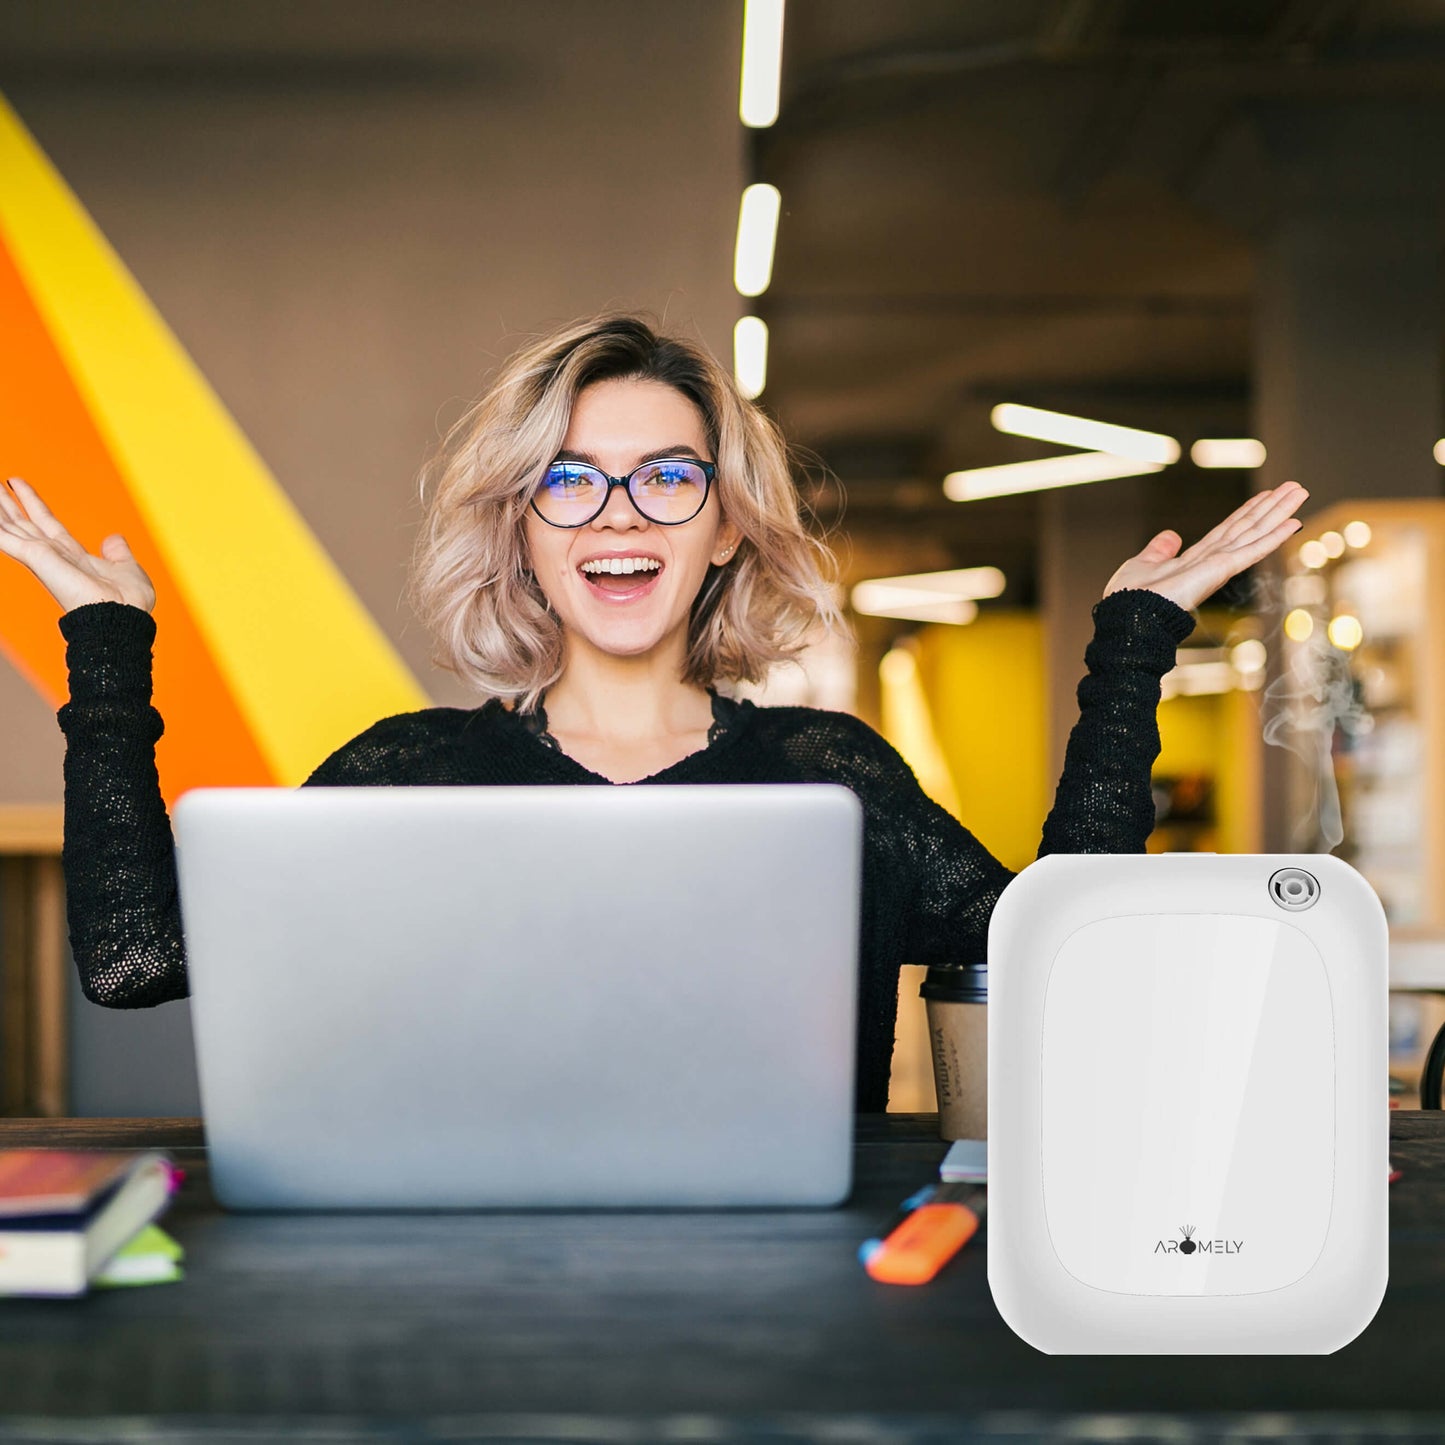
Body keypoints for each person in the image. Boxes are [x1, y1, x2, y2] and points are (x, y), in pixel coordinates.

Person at [0, 314, 1307, 1111]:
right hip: (469, 1292)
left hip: (791, 1298)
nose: (617, 513)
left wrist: (1131, 642)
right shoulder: (411, 774)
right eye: (567, 479)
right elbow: (134, 965)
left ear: (726, 522)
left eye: (664, 476)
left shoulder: (828, 777)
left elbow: (1061, 951)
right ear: (521, 524)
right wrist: (108, 647)